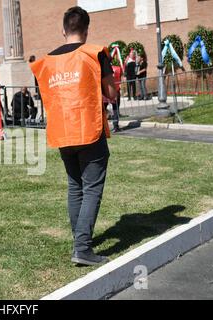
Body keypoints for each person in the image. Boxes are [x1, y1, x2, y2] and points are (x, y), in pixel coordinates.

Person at [30, 6, 116, 266]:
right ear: (86, 31)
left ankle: (80, 239)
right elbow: (111, 92)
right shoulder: (94, 53)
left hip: (61, 132)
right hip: (88, 129)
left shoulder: (45, 62)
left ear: (63, 30)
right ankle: (82, 247)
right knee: (91, 189)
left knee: (75, 187)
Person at [111, 64, 123, 132]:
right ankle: (116, 126)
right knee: (116, 109)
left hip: (106, 90)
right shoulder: (118, 68)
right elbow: (120, 79)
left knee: (103, 109)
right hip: (116, 90)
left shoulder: (104, 68)